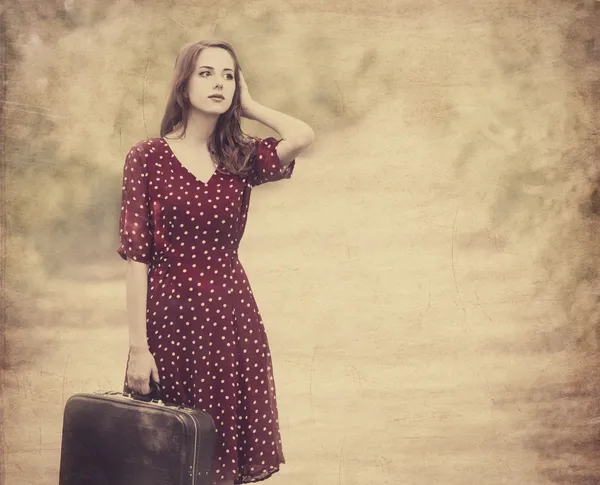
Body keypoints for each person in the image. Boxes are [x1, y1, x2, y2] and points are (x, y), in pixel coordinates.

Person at [116, 39, 314, 485]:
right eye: (206, 73)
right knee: (170, 456)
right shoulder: (146, 158)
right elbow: (137, 259)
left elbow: (302, 137)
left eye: (228, 75)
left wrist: (252, 105)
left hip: (231, 324)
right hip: (169, 325)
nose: (218, 83)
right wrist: (137, 348)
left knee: (222, 459)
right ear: (183, 85)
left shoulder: (238, 157)